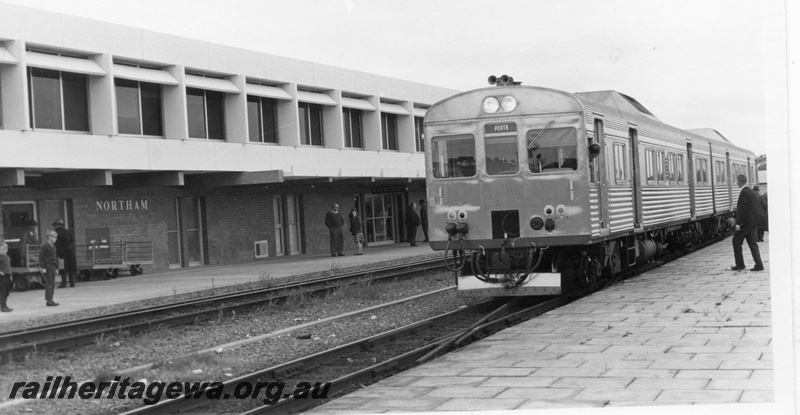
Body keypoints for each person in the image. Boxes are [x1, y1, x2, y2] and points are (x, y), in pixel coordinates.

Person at [730, 175, 763, 272]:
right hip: (753, 223)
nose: (736, 183)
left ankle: (740, 264)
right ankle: (759, 265)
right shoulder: (751, 192)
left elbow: (743, 210)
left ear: (739, 181)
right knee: (753, 244)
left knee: (736, 241)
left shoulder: (744, 193)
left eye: (736, 181)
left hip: (745, 224)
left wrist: (738, 223)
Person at [52, 219, 77, 288]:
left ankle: (63, 283)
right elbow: (72, 240)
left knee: (62, 268)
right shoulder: (68, 232)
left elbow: (54, 243)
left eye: (54, 225)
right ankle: (72, 283)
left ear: (57, 226)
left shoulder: (55, 233)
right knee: (70, 268)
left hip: (61, 253)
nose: (54, 227)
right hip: (70, 252)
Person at [40, 230, 60, 306]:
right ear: (49, 237)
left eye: (56, 237)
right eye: (54, 237)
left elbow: (55, 257)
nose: (55, 239)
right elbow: (41, 257)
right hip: (48, 265)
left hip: (53, 265)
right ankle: (48, 300)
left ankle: (51, 299)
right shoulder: (44, 246)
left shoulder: (54, 246)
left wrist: (57, 268)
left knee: (52, 283)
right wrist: (43, 267)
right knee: (49, 283)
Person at [0, 241, 13, 312]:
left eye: (5, 249)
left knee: (7, 292)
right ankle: (3, 307)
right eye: (2, 250)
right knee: (3, 292)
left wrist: (11, 275)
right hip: (2, 276)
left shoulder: (7, 257)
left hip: (8, 275)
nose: (4, 251)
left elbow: (9, 267)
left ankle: (5, 305)